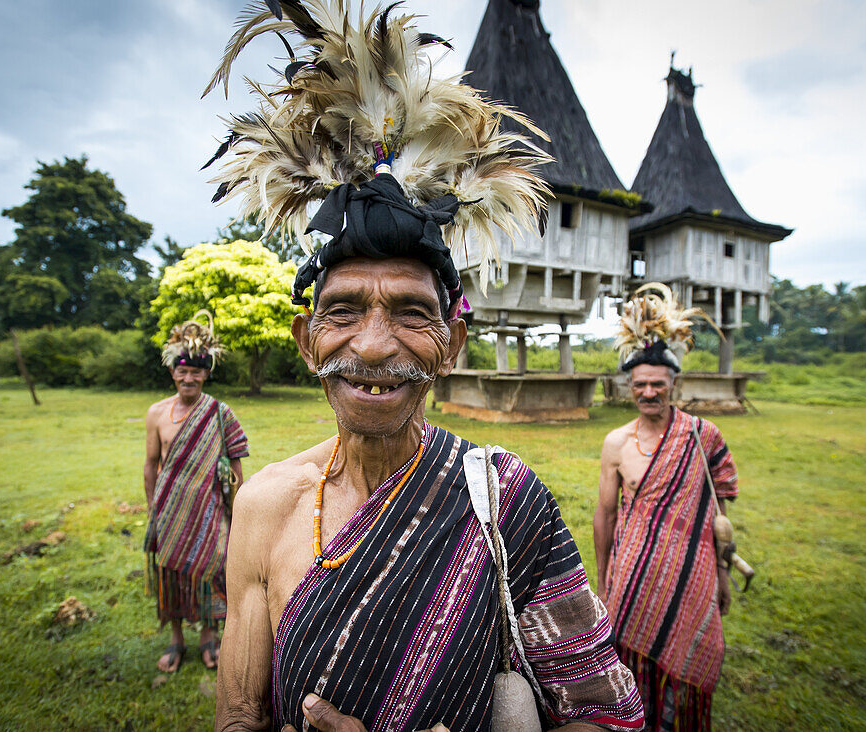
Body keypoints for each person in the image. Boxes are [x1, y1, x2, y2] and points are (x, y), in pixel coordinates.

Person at [202, 2, 643, 729]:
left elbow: (606, 715)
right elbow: (239, 717)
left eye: (411, 312)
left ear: (453, 341)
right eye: (342, 311)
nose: (373, 346)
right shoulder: (263, 507)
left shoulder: (508, 505)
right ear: (305, 339)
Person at [593, 284, 738, 732]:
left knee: (688, 661)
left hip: (692, 574)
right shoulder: (616, 442)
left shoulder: (702, 435)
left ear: (673, 384)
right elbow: (605, 516)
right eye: (641, 385)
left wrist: (722, 575)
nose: (650, 392)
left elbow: (721, 511)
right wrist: (603, 580)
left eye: (658, 384)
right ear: (629, 387)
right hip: (631, 577)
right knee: (630, 666)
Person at [144, 312, 249, 672]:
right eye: (182, 371)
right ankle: (176, 640)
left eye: (196, 372)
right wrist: (151, 509)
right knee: (170, 572)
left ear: (206, 374)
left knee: (210, 569)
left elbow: (236, 465)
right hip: (168, 510)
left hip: (210, 511)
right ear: (173, 372)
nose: (188, 378)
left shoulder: (220, 414)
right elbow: (150, 464)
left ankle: (208, 637)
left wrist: (235, 509)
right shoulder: (156, 414)